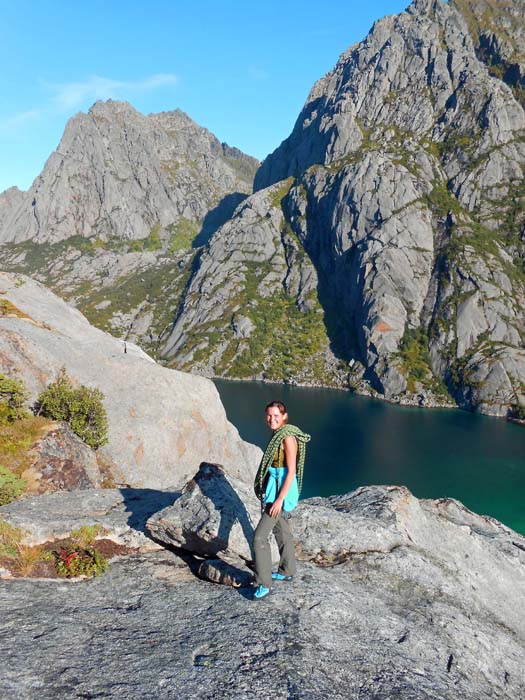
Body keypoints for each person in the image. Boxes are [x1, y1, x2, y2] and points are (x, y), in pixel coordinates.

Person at [252, 400, 310, 600]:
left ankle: (264, 583)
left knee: (259, 538)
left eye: (276, 416)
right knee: (281, 529)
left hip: (279, 491)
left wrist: (279, 500)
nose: (271, 419)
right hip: (274, 487)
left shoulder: (287, 438)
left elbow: (291, 471)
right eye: (269, 415)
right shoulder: (279, 434)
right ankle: (287, 570)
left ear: (284, 416)